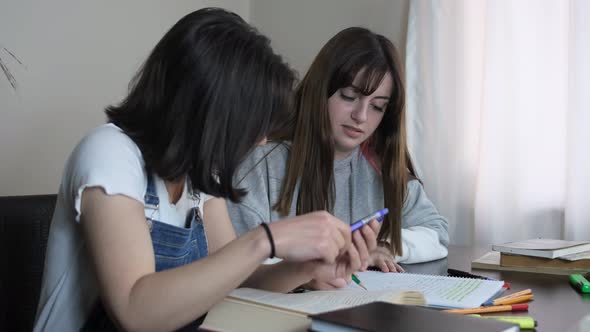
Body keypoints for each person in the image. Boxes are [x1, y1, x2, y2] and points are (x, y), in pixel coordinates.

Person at [33, 9, 379, 331]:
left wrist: (304, 271)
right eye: (254, 125)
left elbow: (233, 279)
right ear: (213, 112)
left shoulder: (200, 177)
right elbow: (134, 310)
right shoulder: (110, 153)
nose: (260, 142)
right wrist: (267, 239)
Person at [227, 27, 449, 286]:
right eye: (349, 96)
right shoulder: (262, 161)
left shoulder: (381, 167)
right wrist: (306, 272)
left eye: (378, 106)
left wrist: (385, 245)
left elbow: (437, 233)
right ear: (320, 90)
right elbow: (232, 258)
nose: (361, 116)